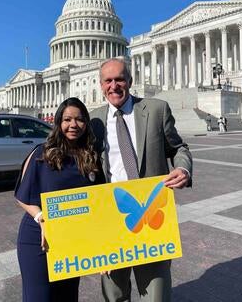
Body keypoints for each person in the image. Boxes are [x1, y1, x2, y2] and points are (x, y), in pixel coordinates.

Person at [90, 58, 193, 302]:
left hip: (152, 215)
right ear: (100, 84)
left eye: (119, 79)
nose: (114, 86)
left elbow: (179, 148)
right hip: (111, 217)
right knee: (114, 295)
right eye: (108, 81)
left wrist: (184, 169)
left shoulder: (157, 109)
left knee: (155, 295)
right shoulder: (93, 120)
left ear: (130, 82)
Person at [15, 97, 104, 302]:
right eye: (67, 120)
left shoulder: (91, 157)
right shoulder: (42, 152)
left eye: (80, 119)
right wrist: (41, 218)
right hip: (39, 237)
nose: (73, 125)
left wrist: (103, 249)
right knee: (39, 297)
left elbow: (99, 204)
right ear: (58, 123)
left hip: (72, 240)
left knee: (67, 297)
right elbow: (22, 196)